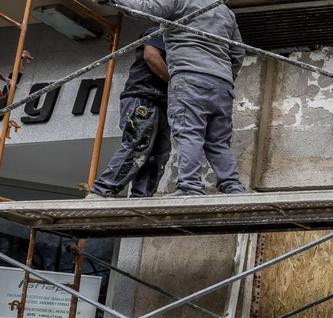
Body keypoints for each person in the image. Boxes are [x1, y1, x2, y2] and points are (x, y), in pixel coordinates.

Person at [99, 0, 247, 196]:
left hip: (189, 76)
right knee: (218, 141)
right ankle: (233, 187)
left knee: (189, 132)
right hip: (222, 84)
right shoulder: (225, 11)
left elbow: (147, 9)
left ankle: (190, 187)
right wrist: (226, 76)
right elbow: (238, 51)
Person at [87, 26, 171, 199]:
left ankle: (141, 198)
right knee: (137, 145)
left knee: (156, 156)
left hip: (162, 102)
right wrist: (175, 81)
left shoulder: (180, 39)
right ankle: (101, 192)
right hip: (143, 96)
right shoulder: (161, 30)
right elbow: (151, 56)